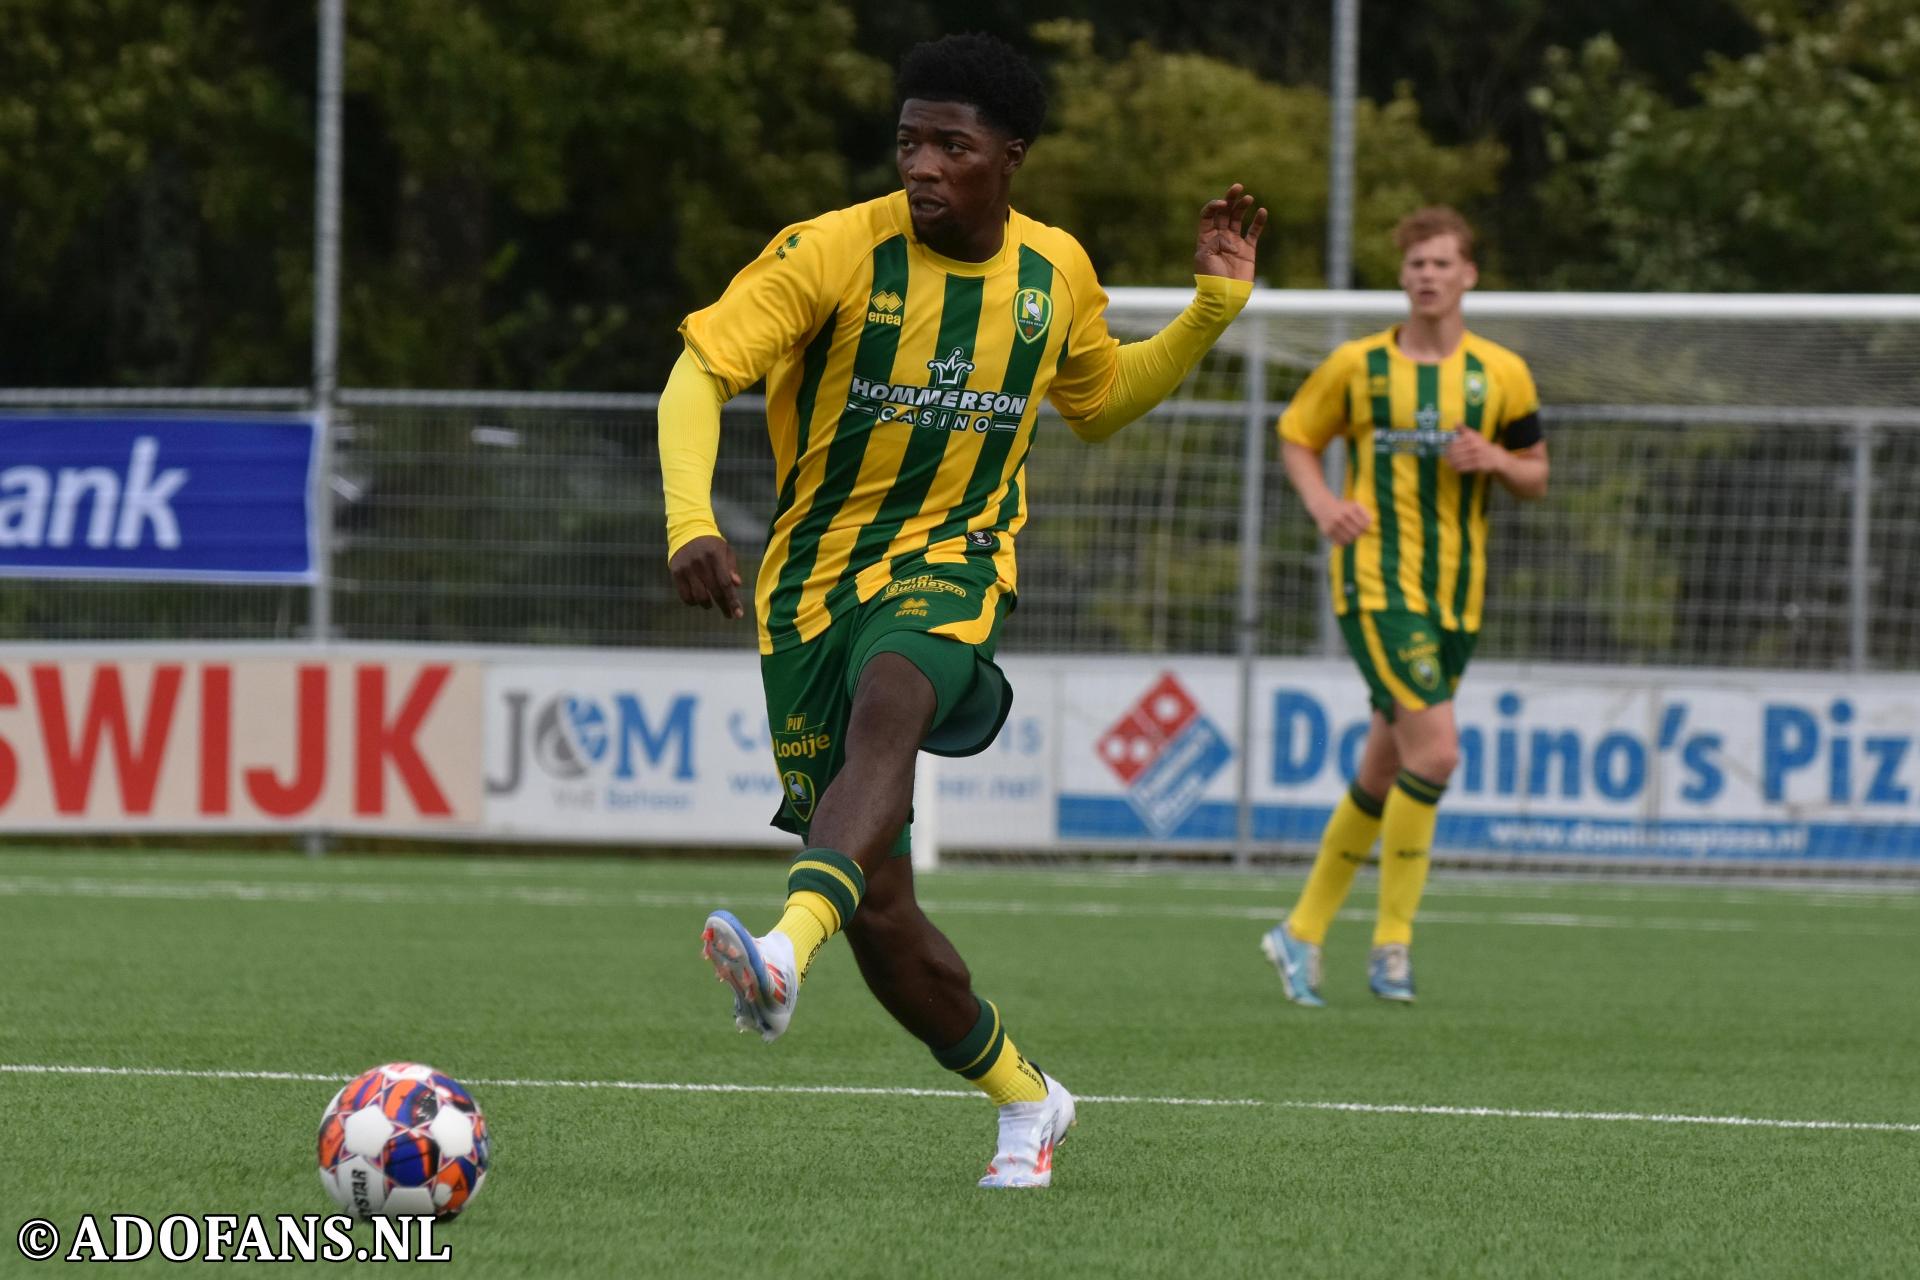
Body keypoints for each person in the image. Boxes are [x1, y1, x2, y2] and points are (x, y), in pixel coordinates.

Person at [657, 32, 1265, 1188]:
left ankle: (780, 952)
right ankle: (1028, 1100)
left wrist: (1207, 314)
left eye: (951, 145)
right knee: (883, 914)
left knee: (899, 693)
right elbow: (699, 373)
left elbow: (1093, 400)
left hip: (955, 559)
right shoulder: (829, 252)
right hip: (808, 587)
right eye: (909, 142)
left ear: (1010, 157)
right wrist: (692, 516)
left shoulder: (1056, 274)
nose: (923, 165)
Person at [1260, 206, 1548, 1007]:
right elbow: (1295, 434)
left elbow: (1536, 473)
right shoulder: (1357, 366)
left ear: (1469, 276)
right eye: (1417, 263)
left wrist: (1495, 458)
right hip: (1377, 585)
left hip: (1459, 596)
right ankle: (1392, 945)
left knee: (1386, 765)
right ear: (1404, 275)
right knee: (1440, 754)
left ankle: (1301, 932)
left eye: (1443, 263)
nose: (1428, 275)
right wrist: (1322, 504)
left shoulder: (1503, 374)